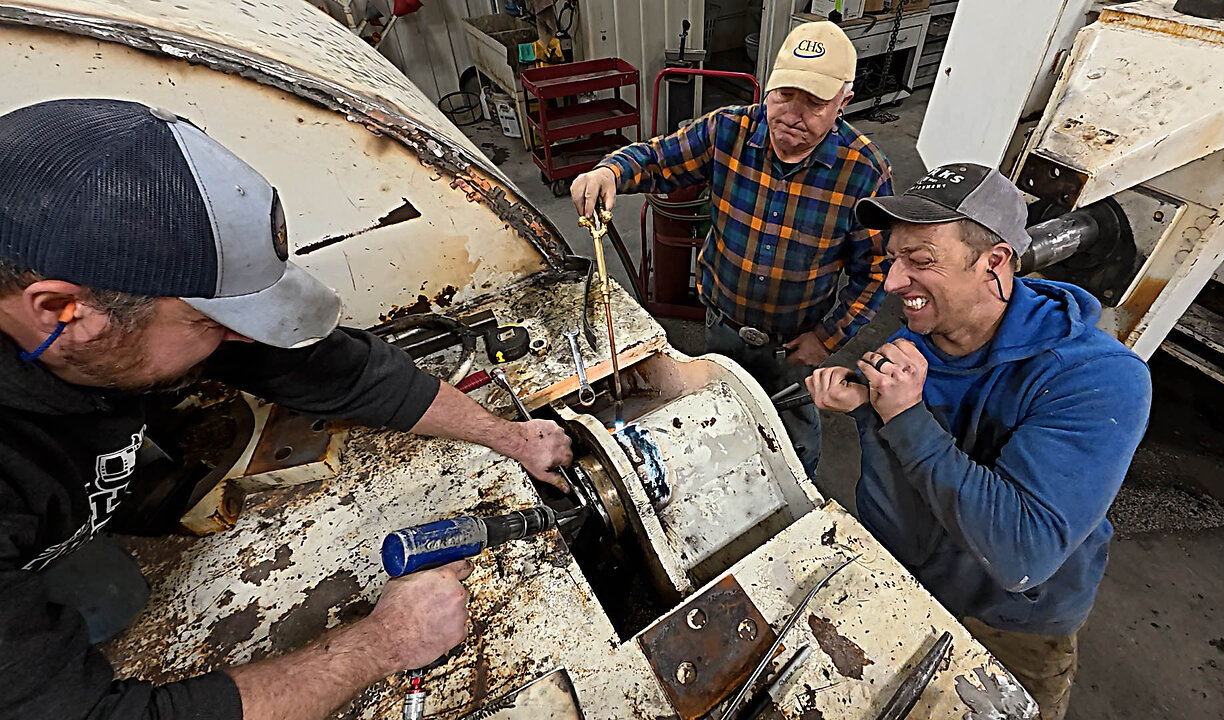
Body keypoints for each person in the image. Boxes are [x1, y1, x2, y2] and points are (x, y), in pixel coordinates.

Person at [0, 99, 574, 720]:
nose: (240, 342)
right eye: (212, 323)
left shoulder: (101, 323)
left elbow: (334, 368)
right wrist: (383, 644)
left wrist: (509, 436)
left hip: (51, 530)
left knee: (110, 598)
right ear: (62, 310)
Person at [805, 164, 1152, 720]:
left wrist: (907, 416)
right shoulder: (915, 341)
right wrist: (870, 411)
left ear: (994, 262)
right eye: (894, 258)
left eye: (920, 261)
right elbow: (897, 487)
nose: (892, 282)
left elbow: (1021, 553)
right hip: (908, 589)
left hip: (1010, 623)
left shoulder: (1099, 379)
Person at [571, 21, 892, 477]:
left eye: (815, 103)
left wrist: (828, 337)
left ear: (844, 102)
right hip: (723, 325)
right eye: (784, 95)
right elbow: (659, 159)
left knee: (791, 445)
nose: (792, 115)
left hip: (793, 346)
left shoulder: (865, 173)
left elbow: (876, 271)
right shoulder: (728, 131)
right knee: (717, 422)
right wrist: (609, 172)